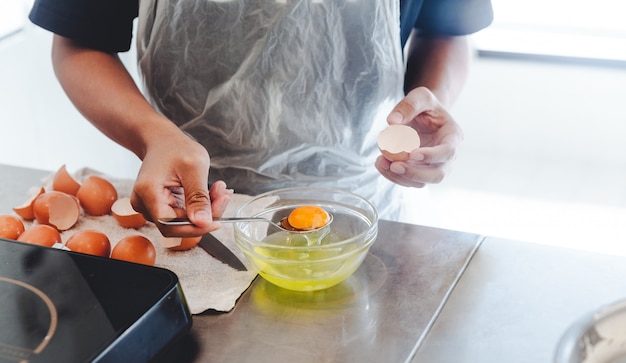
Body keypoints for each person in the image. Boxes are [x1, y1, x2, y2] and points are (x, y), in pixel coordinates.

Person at [29, 0, 493, 238]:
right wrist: (152, 138)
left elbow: (445, 28)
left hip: (365, 203)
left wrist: (429, 100)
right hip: (197, 202)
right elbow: (77, 41)